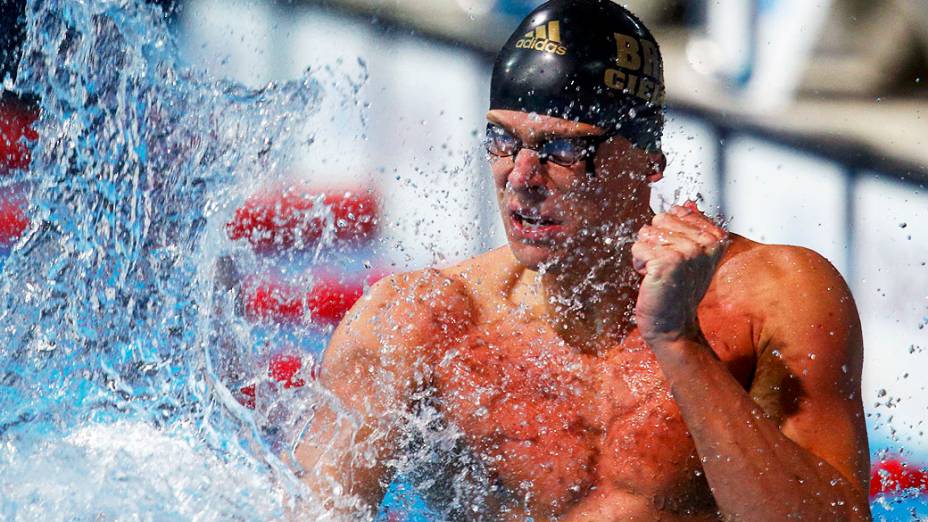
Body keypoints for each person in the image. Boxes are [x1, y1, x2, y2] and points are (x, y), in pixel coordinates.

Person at [295, 1, 872, 520]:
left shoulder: (773, 298)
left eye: (562, 149)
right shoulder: (418, 324)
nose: (521, 179)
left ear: (648, 160)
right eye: (503, 141)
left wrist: (679, 343)